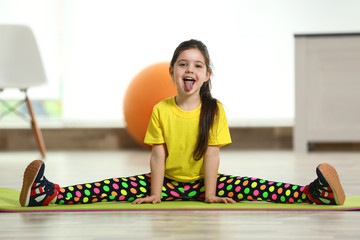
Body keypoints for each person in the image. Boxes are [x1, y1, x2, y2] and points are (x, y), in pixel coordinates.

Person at [19, 39, 346, 207]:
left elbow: (213, 155)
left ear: (206, 75)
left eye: (198, 65)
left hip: (206, 181)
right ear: (173, 71)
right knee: (110, 186)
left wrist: (211, 192)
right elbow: (158, 154)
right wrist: (156, 194)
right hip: (167, 182)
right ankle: (47, 194)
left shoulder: (214, 109)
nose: (190, 70)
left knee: (255, 186)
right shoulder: (161, 109)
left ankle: (314, 194)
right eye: (183, 64)